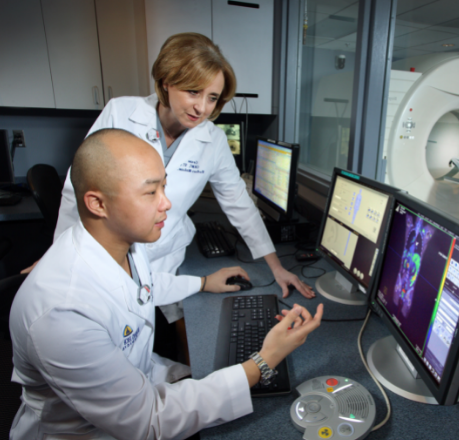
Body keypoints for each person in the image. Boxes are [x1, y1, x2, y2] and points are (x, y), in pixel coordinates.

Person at [9, 129, 324, 439]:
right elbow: (147, 422)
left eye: (165, 187)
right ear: (98, 204)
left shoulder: (122, 244)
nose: (167, 204)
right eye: (150, 192)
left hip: (139, 379)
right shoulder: (62, 312)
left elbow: (141, 286)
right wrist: (264, 361)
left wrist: (202, 282)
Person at [39, 32, 314, 329]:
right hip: (107, 250)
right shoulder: (122, 113)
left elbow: (239, 204)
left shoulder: (213, 139)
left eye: (212, 98)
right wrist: (59, 260)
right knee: (101, 329)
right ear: (167, 82)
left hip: (162, 254)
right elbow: (77, 190)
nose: (203, 109)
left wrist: (276, 267)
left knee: (144, 333)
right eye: (193, 92)